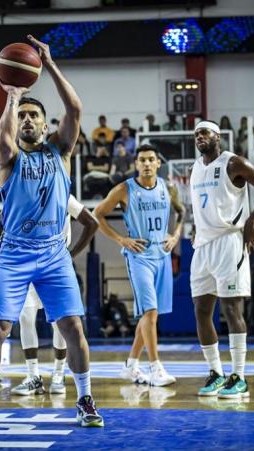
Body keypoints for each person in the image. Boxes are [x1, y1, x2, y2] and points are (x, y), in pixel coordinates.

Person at [0, 35, 103, 430]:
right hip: (15, 253)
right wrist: (12, 97)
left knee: (72, 327)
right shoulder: (8, 160)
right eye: (22, 115)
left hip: (54, 253)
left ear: (44, 123)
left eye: (33, 115)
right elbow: (3, 141)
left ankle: (85, 399)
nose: (27, 120)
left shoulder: (61, 151)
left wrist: (50, 65)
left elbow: (75, 108)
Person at [190, 120, 254, 399]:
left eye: (205, 132)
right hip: (202, 246)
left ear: (217, 136)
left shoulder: (233, 163)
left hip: (229, 242)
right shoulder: (195, 168)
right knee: (201, 310)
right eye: (196, 134)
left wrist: (252, 221)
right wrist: (196, 227)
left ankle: (239, 377)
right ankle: (216, 373)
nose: (199, 136)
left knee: (231, 310)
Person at [95, 144, 185, 386]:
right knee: (150, 313)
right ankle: (156, 369)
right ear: (136, 164)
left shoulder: (168, 187)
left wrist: (175, 235)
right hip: (139, 257)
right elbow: (97, 214)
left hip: (162, 256)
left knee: (150, 316)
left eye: (150, 159)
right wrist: (121, 239)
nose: (146, 163)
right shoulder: (124, 189)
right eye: (142, 160)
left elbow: (181, 211)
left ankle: (130, 366)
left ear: (158, 163)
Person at [0, 194, 98, 396]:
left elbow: (92, 223)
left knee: (60, 322)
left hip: (54, 265)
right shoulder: (23, 191)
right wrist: (12, 248)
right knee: (26, 318)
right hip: (27, 262)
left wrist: (70, 254)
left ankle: (58, 373)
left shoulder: (63, 195)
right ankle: (33, 376)